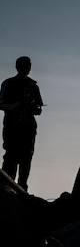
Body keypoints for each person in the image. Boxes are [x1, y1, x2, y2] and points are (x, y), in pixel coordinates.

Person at [0, 56, 44, 191]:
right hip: (12, 126)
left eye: (29, 65)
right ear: (18, 67)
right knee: (11, 158)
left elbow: (39, 109)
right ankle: (6, 189)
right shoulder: (8, 83)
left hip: (28, 127)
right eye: (25, 65)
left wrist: (32, 108)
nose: (28, 68)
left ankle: (22, 190)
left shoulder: (33, 85)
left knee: (26, 159)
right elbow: (1, 104)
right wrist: (16, 106)